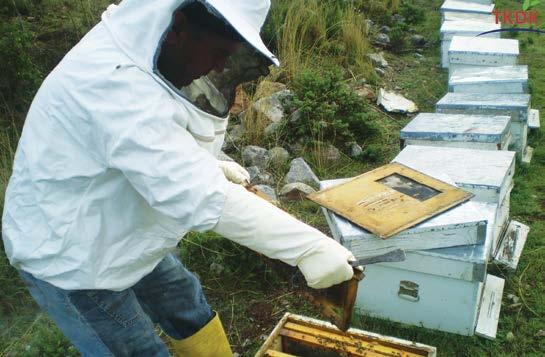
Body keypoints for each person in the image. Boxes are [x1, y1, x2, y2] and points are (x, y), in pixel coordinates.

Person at [1, 1, 356, 356]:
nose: (218, 66)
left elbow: (141, 140)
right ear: (180, 25)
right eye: (217, 52)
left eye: (228, 56)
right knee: (138, 349)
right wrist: (310, 248)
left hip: (118, 219)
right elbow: (196, 193)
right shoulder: (114, 80)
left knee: (188, 309)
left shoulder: (151, 48)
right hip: (70, 255)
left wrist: (206, 165)